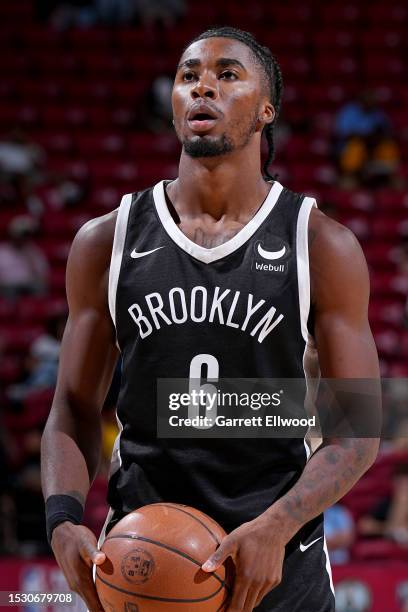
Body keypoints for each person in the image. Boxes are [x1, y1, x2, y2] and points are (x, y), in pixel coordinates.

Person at [41, 27, 380, 611]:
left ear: (266, 109)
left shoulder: (321, 245)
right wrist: (63, 519)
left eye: (227, 74)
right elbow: (72, 406)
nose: (203, 86)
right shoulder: (106, 242)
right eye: (188, 74)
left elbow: (358, 431)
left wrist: (276, 526)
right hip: (145, 557)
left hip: (278, 566)